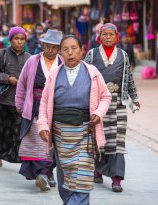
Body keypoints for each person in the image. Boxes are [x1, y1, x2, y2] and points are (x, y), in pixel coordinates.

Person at [38, 35, 111, 205]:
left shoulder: (92, 72)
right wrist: (42, 125)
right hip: (60, 133)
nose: (70, 53)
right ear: (60, 52)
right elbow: (44, 102)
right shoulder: (54, 74)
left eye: (74, 48)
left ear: (81, 50)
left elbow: (105, 96)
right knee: (65, 176)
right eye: (65, 49)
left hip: (85, 132)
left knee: (82, 178)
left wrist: (99, 113)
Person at [85, 23, 140, 192]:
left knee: (117, 141)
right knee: (99, 138)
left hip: (118, 103)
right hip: (98, 103)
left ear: (116, 37)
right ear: (99, 37)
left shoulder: (123, 55)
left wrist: (134, 97)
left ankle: (117, 179)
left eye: (111, 35)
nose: (108, 37)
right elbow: (84, 76)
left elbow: (129, 78)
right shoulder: (92, 54)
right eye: (105, 34)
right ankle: (98, 170)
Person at [15, 29, 63, 191]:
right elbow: (22, 83)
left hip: (56, 108)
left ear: (59, 49)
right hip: (35, 106)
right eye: (47, 46)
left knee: (53, 142)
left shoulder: (63, 63)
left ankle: (48, 172)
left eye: (54, 47)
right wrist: (20, 105)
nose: (50, 50)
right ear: (42, 45)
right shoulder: (32, 61)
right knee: (38, 141)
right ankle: (42, 173)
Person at [0, 26, 31, 167]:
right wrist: (7, 78)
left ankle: (15, 156)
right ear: (10, 40)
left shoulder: (29, 58)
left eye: (22, 39)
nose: (19, 42)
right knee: (1, 131)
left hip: (20, 103)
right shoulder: (1, 54)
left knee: (17, 132)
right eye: (16, 38)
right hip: (3, 99)